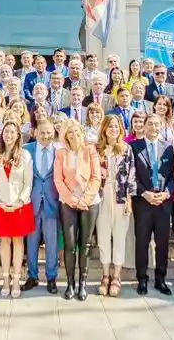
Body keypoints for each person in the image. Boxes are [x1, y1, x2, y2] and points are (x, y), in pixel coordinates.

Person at [53, 120, 101, 301]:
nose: (73, 135)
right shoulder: (61, 154)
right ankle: (70, 283)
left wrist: (85, 200)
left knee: (85, 245)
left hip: (89, 202)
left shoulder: (90, 150)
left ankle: (83, 283)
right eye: (69, 133)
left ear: (81, 132)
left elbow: (96, 178)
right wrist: (72, 199)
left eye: (76, 132)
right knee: (70, 244)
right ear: (65, 136)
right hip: (68, 202)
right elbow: (58, 180)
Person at [0, 122, 35, 298]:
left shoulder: (25, 155)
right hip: (1, 206)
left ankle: (16, 280)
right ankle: (6, 280)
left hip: (19, 206)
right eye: (6, 131)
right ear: (2, 134)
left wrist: (20, 202)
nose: (8, 135)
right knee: (4, 242)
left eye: (12, 132)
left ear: (17, 136)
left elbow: (28, 183)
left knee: (18, 242)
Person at [132, 114, 174, 296]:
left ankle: (160, 279)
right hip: (143, 202)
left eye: (157, 124)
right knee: (142, 242)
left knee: (162, 242)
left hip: (163, 202)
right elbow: (131, 175)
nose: (154, 127)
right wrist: (144, 193)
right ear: (144, 126)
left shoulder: (169, 148)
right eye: (150, 124)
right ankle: (142, 279)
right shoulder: (134, 147)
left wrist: (167, 193)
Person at [95, 115, 136, 297]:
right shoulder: (97, 149)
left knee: (119, 236)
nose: (113, 129)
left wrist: (129, 200)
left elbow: (131, 176)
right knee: (103, 236)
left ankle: (117, 276)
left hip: (120, 197)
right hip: (102, 197)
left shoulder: (126, 149)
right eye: (110, 126)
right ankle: (105, 275)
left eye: (116, 127)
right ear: (104, 129)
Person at [23, 120, 61, 294]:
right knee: (31, 243)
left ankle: (51, 277)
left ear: (53, 133)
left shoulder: (60, 151)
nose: (46, 136)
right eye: (42, 133)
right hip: (31, 203)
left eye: (49, 133)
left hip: (52, 204)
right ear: (36, 132)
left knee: (52, 244)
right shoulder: (26, 150)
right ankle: (32, 276)